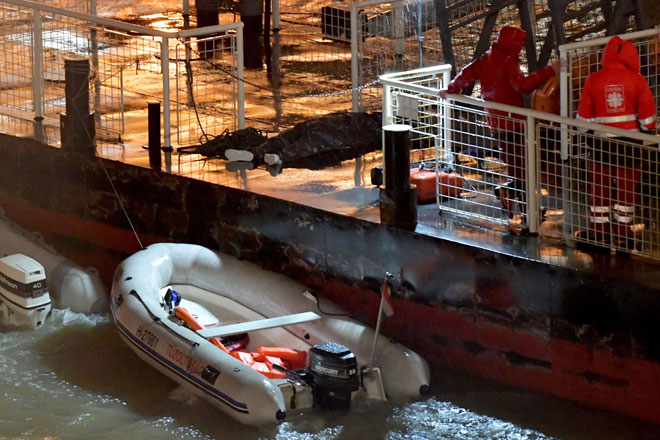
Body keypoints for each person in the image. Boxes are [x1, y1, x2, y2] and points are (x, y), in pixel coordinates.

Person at [439, 26, 559, 232]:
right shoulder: (508, 63)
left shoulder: (487, 58)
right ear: (513, 44)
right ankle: (518, 202)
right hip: (516, 123)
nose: (521, 47)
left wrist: (450, 89)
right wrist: (550, 71)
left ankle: (522, 204)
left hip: (497, 123)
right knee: (525, 168)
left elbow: (465, 74)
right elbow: (522, 85)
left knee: (518, 167)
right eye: (519, 43)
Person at [576, 35, 657, 249]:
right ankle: (623, 233)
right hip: (630, 145)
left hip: (602, 145)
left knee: (600, 188)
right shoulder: (637, 80)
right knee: (627, 190)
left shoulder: (593, 79)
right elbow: (648, 121)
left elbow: (583, 122)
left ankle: (599, 232)